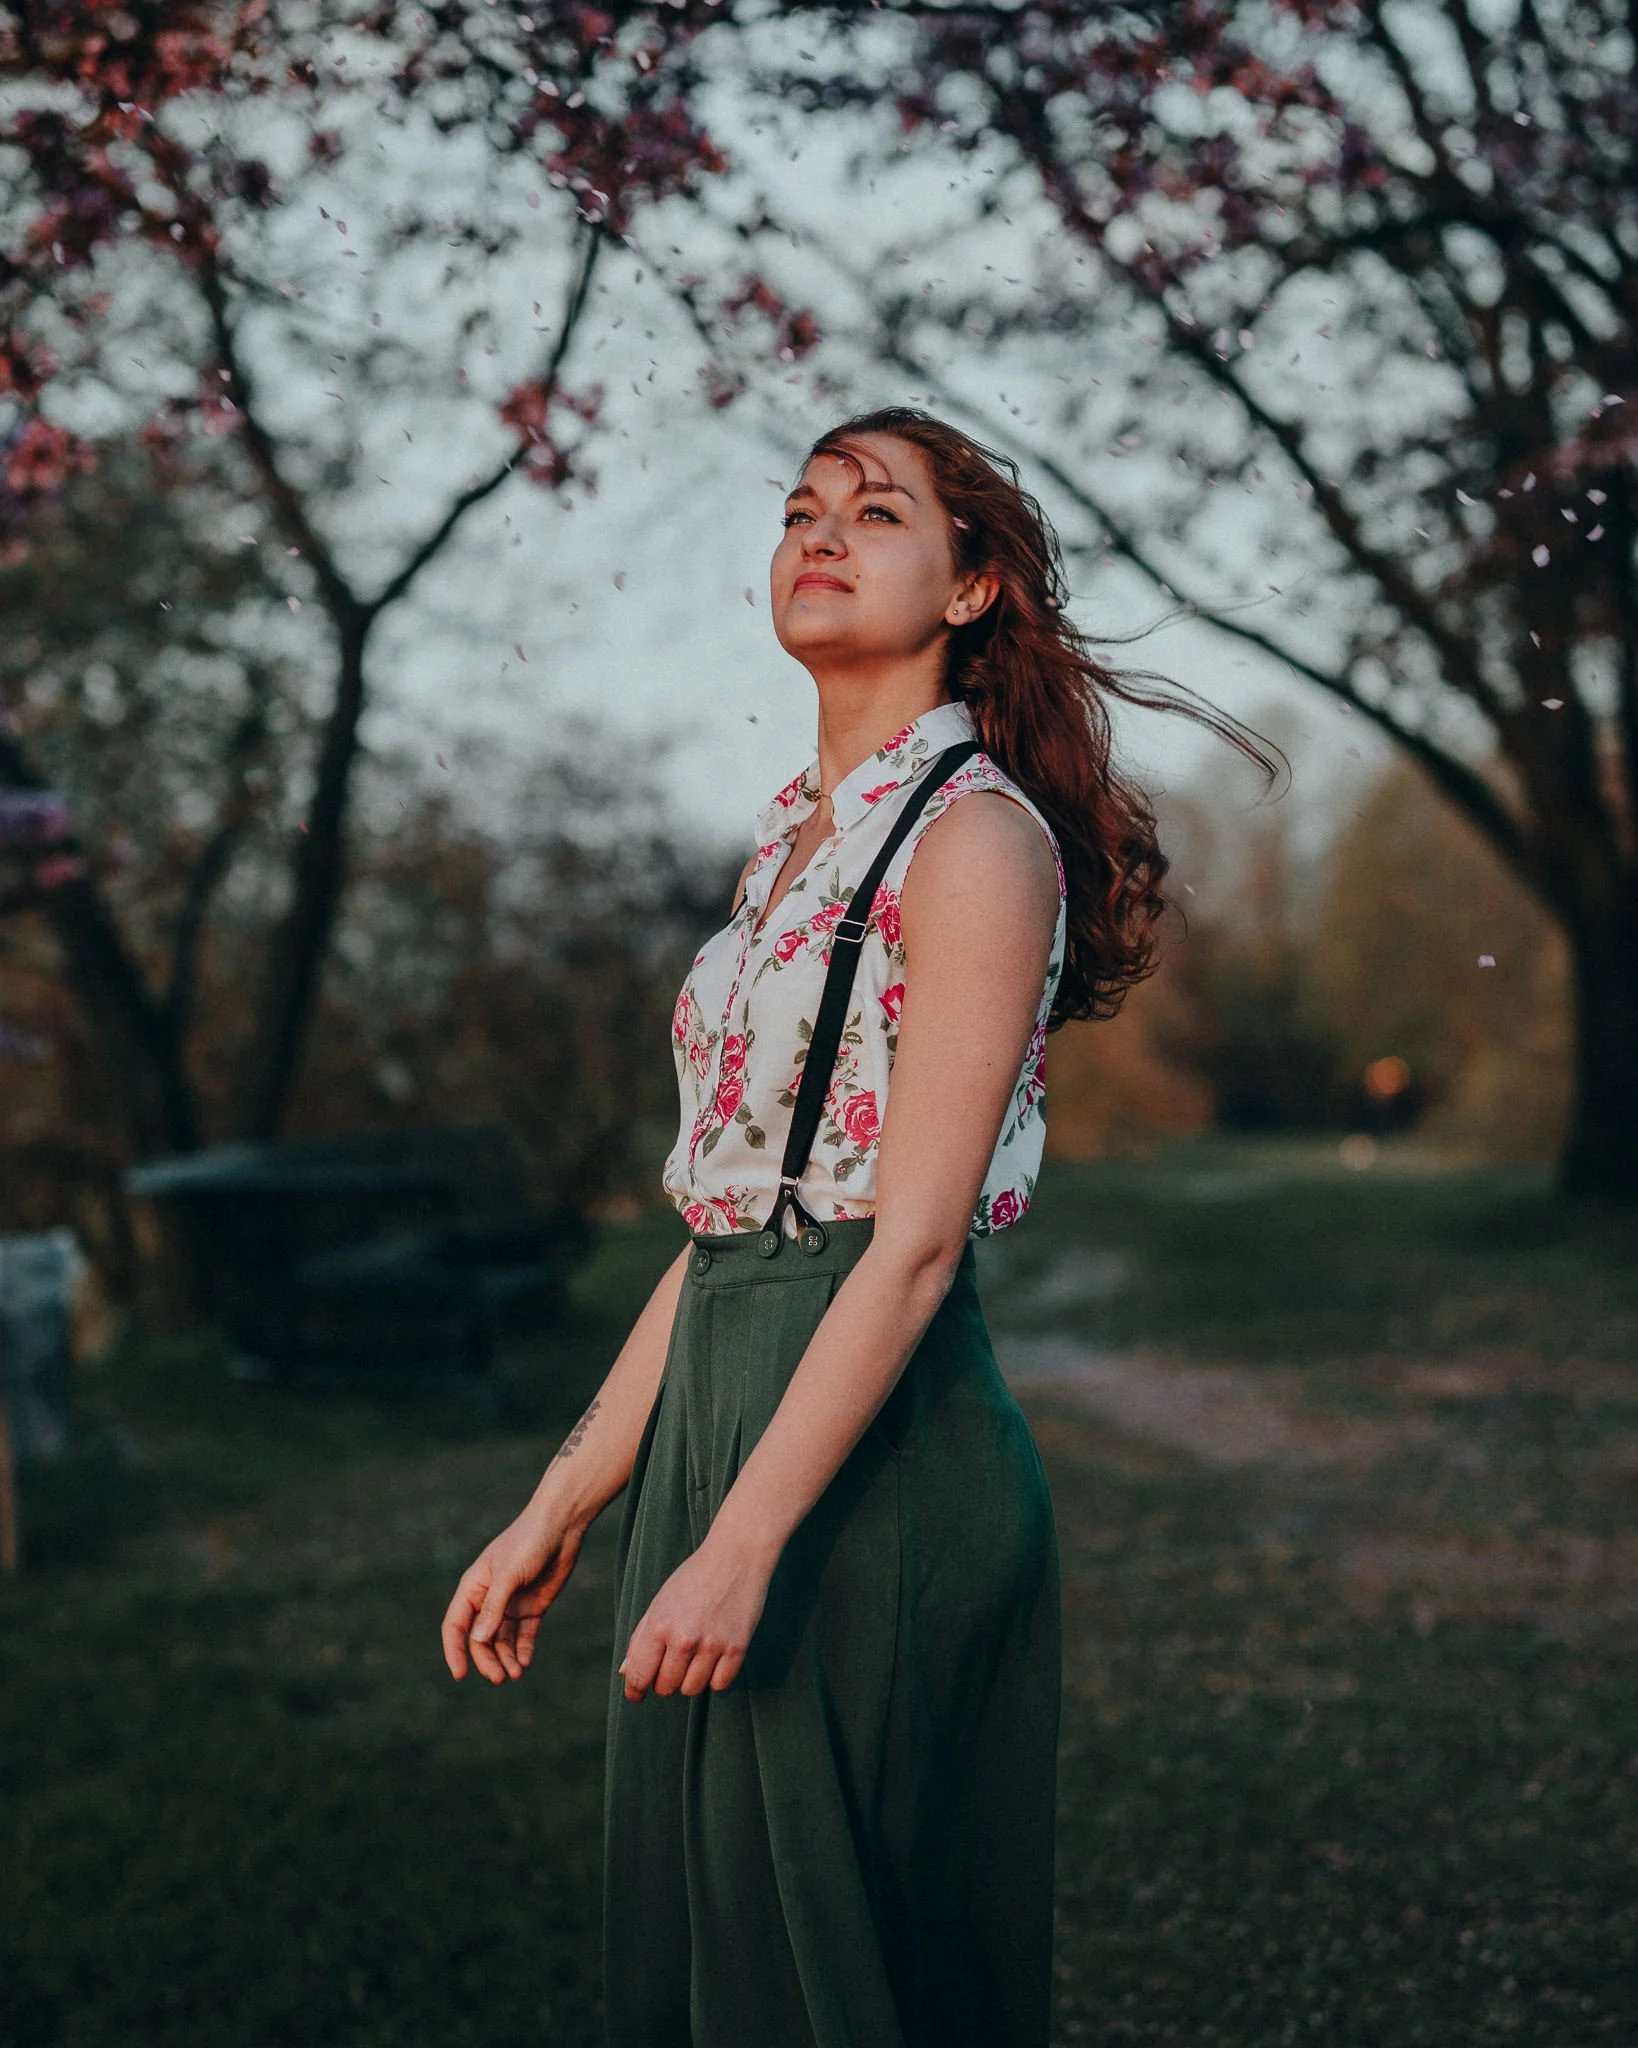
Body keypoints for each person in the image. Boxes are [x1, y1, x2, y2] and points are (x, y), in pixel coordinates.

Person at [441, 406, 1275, 2047]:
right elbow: (724, 1229)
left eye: (877, 512)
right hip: (719, 1415)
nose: (819, 532)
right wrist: (561, 1505)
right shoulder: (788, 849)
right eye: (800, 507)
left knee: (822, 1976)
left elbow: (908, 1247)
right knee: (708, 1955)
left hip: (863, 1453)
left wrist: (744, 1547)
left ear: (970, 588)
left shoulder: (973, 838)